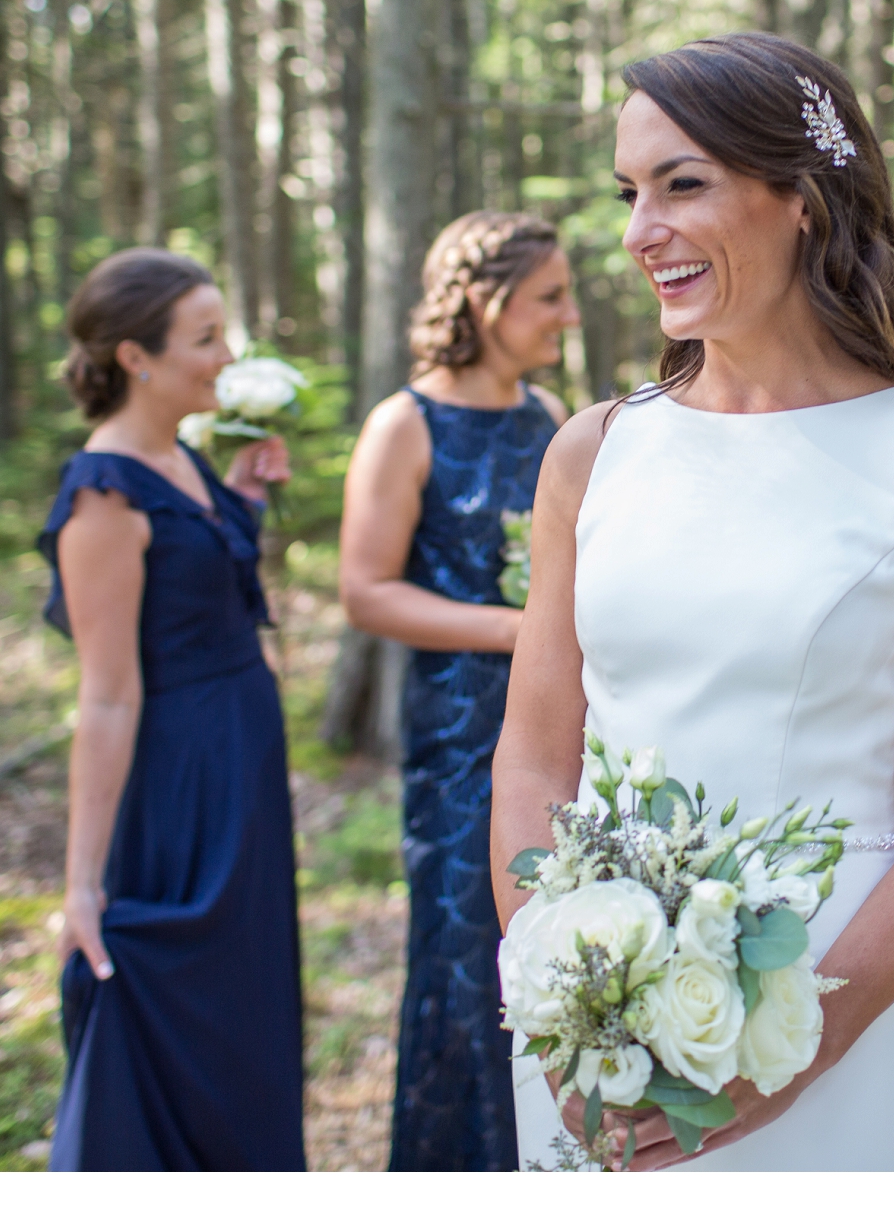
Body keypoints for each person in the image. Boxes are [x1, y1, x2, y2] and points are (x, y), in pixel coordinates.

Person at [491, 32, 894, 1172]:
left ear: (803, 201)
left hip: (827, 990)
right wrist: (557, 989)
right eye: (631, 193)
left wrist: (803, 1044)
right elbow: (535, 759)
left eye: (683, 186)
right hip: (600, 1012)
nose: (641, 233)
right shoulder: (591, 451)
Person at [40, 248, 302, 1171]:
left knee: (244, 1001)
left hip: (243, 762)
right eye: (204, 337)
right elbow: (108, 693)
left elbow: (195, 584)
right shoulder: (104, 494)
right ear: (135, 357)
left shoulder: (181, 458)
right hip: (180, 775)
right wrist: (81, 883)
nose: (226, 354)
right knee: (182, 1001)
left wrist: (240, 498)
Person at [339, 211, 576, 1171]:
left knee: (553, 942)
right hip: (458, 729)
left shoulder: (550, 418)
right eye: (549, 298)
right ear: (487, 304)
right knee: (463, 949)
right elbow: (365, 590)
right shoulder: (405, 423)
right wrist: (517, 628)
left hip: (559, 722)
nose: (566, 315)